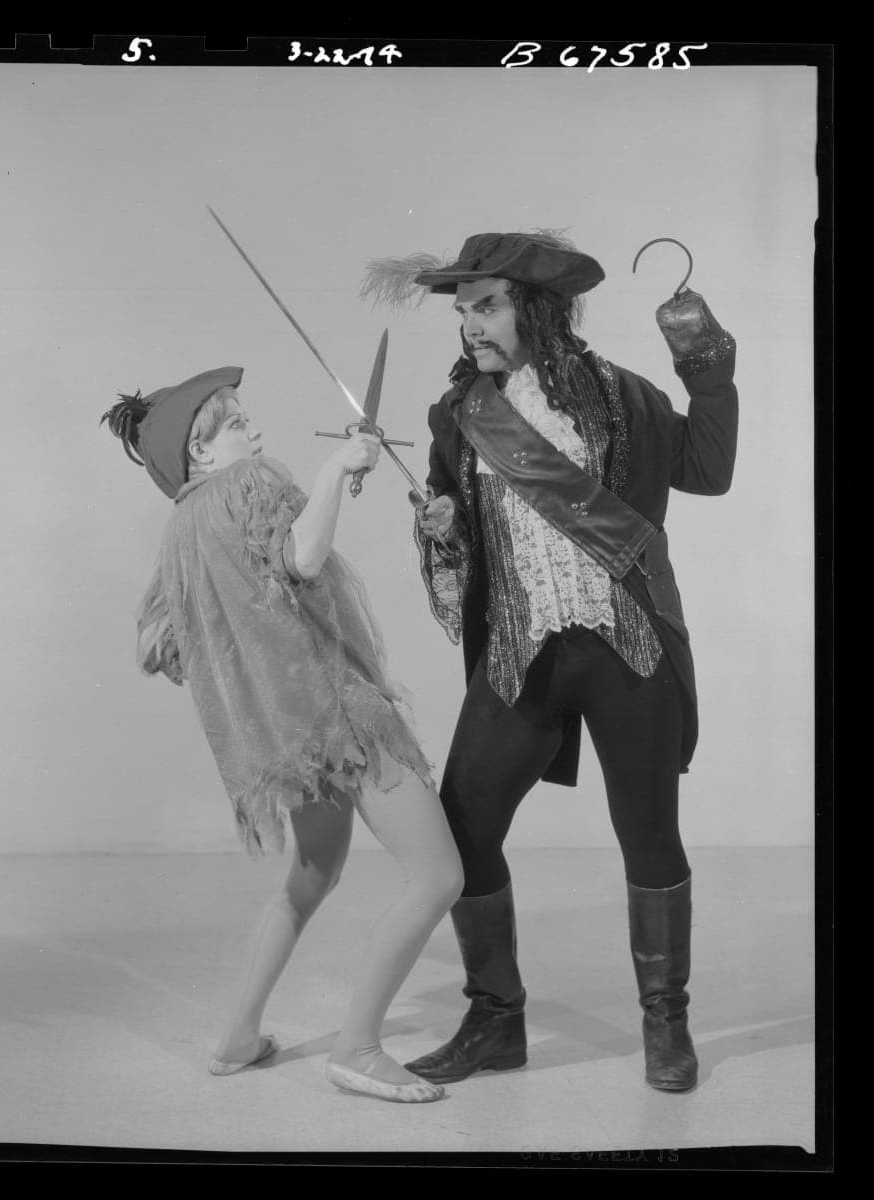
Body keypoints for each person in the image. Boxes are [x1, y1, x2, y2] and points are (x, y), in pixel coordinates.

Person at [361, 229, 738, 1091]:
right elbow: (454, 544)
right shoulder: (456, 417)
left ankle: (664, 1024)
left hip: (625, 650)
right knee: (461, 828)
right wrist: (442, 531)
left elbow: (708, 470)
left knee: (647, 835)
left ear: (535, 308)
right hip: (518, 655)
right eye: (462, 312)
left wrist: (704, 365)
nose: (469, 327)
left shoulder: (622, 398)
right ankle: (496, 1020)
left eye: (485, 306)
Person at [101, 366, 463, 1103]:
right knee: (437, 877)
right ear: (200, 454)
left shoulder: (181, 530)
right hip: (342, 715)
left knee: (309, 876)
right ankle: (357, 1048)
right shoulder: (249, 484)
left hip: (285, 735)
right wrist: (337, 467)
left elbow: (157, 644)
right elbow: (301, 559)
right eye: (234, 424)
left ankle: (238, 1039)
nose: (254, 432)